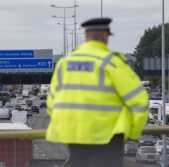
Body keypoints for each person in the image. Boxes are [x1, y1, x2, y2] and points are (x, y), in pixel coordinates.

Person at [46, 17, 149, 167]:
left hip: (74, 134)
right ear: (104, 36)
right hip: (108, 136)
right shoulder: (111, 63)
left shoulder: (64, 63)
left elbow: (52, 102)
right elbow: (139, 101)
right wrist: (132, 133)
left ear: (86, 36)